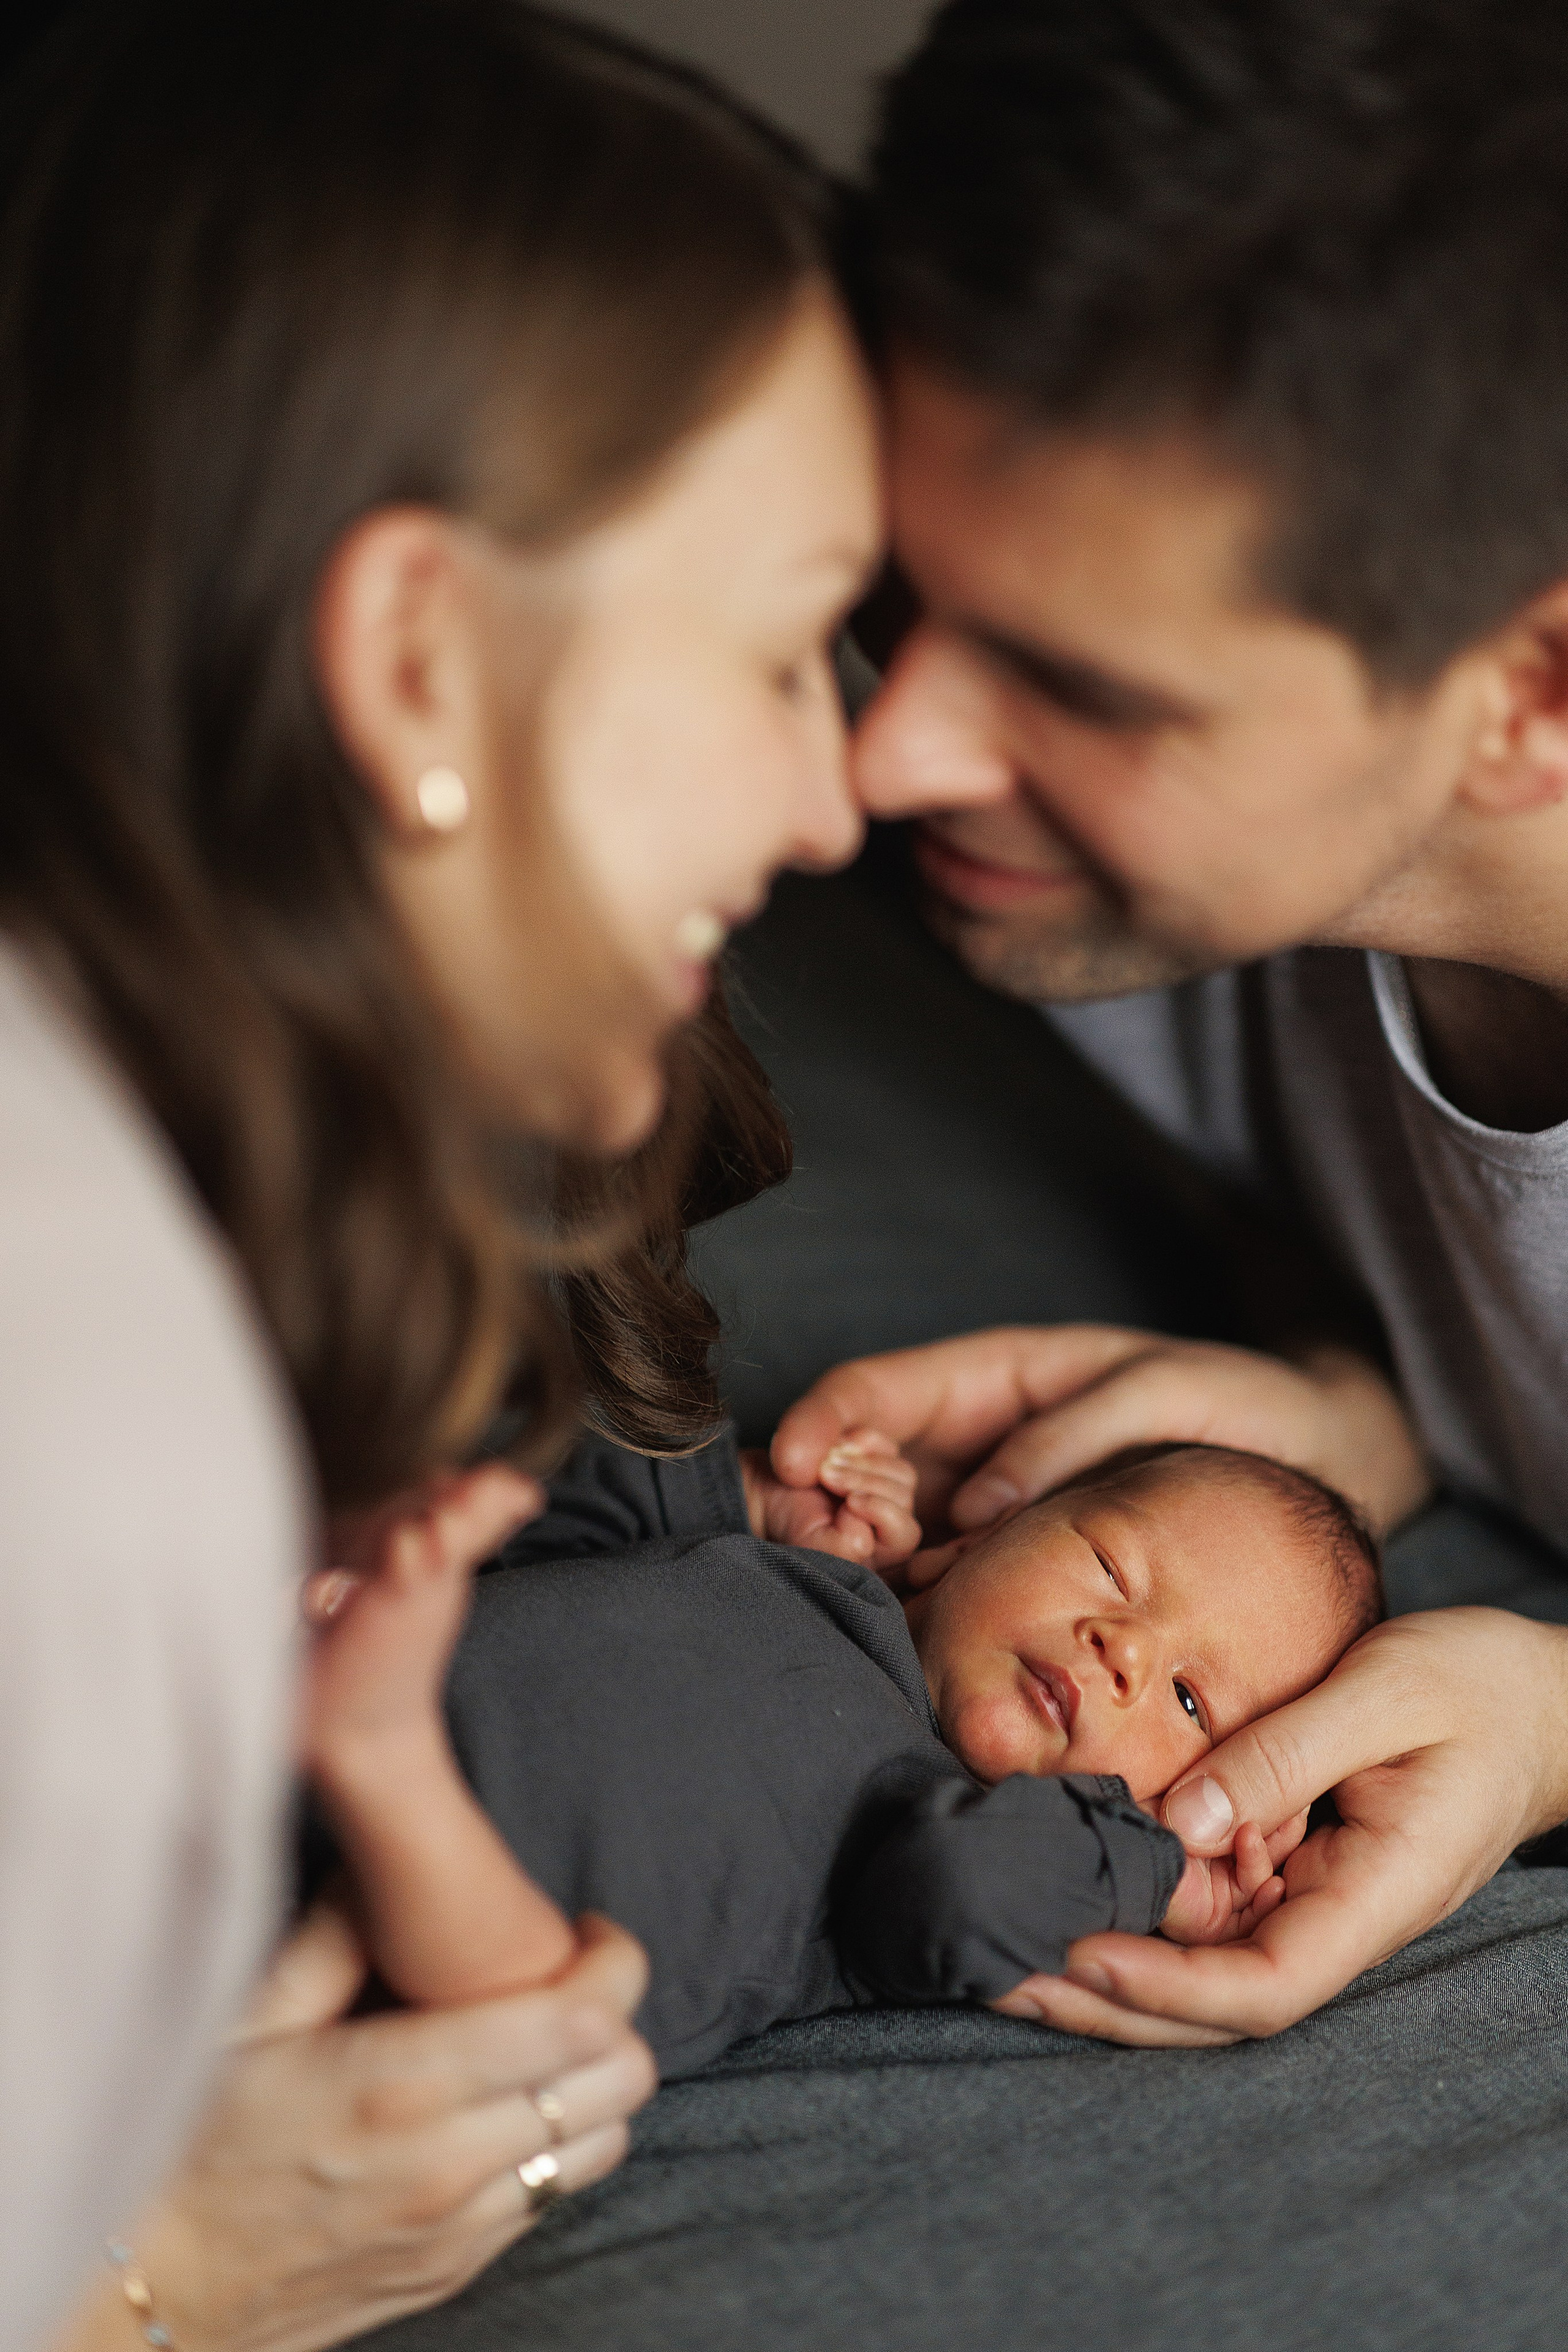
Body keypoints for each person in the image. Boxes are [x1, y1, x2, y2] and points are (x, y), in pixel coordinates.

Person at [0, 1, 938, 2345]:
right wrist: (157, 2272)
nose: (842, 800)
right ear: (418, 659)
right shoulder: (88, 1397)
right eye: (782, 647)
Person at [767, 0, 1568, 2049]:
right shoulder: (1150, 881)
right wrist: (1355, 1407)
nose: (883, 754)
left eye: (1081, 684)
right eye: (895, 585)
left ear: (1537, 692)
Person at [298, 1418, 1381, 2077]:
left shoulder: (948, 1826)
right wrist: (746, 1491)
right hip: (261, 1749)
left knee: (540, 2019)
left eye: (1192, 1705)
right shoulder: (798, 1577)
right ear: (969, 1539)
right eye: (1107, 1564)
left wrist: (1152, 1871)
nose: (1125, 1651)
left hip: (443, 1973)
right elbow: (583, 1501)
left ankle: (382, 1759)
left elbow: (960, 1897)